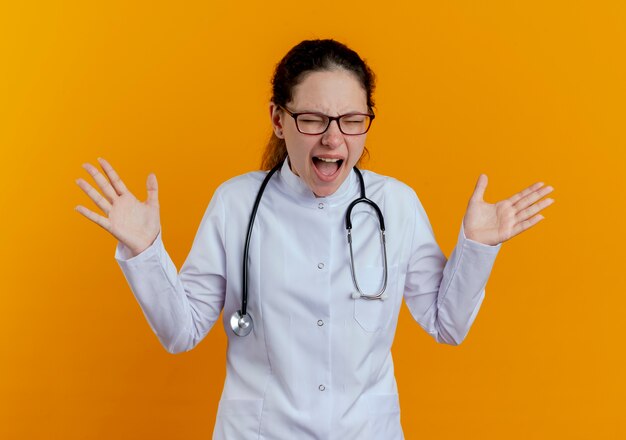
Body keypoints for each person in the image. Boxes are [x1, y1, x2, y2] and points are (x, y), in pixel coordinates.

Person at [75, 39, 555, 439]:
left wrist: (477, 247)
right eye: (313, 119)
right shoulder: (236, 203)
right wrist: (145, 251)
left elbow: (446, 324)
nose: (333, 139)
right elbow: (182, 332)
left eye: (351, 120)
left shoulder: (397, 204)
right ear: (279, 120)